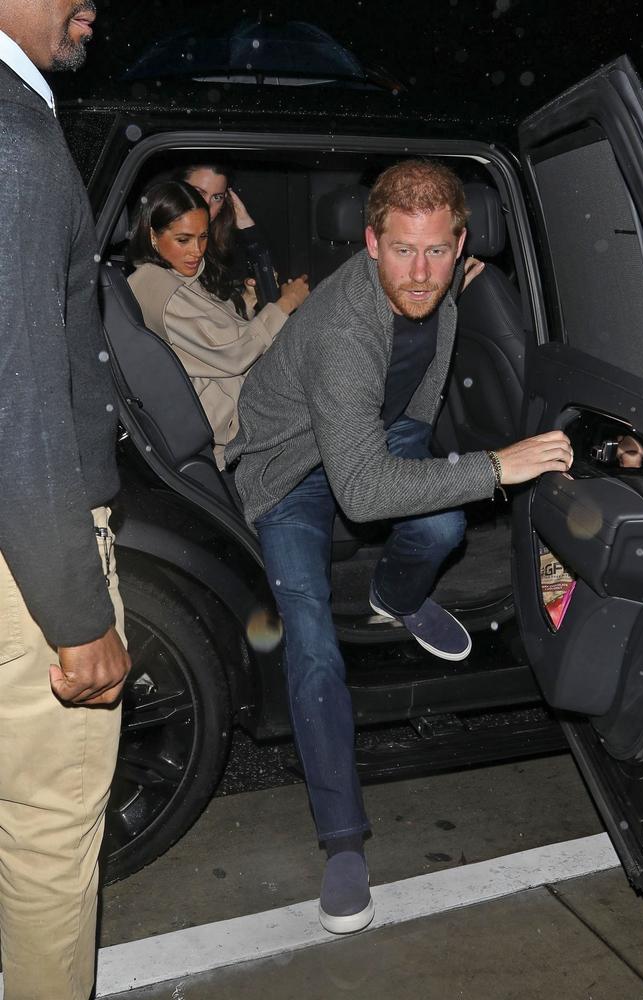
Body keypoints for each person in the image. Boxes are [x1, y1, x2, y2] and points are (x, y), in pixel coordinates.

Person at [225, 159, 573, 935]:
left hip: (371, 441)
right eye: (404, 250)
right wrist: (495, 466)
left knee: (445, 523)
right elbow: (362, 493)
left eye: (438, 251)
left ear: (461, 244)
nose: (420, 274)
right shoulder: (344, 327)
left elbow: (411, 415)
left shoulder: (443, 294)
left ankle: (396, 597)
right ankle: (344, 843)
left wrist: (446, 471)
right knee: (311, 645)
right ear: (370, 242)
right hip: (291, 475)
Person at [0, 3, 131, 999]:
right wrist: (77, 614)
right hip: (28, 556)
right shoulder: (15, 139)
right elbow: (18, 397)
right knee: (48, 830)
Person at [128, 180, 309, 468]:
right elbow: (234, 352)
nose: (197, 251)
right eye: (183, 239)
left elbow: (214, 335)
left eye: (203, 237)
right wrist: (285, 304)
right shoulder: (159, 288)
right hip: (231, 430)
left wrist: (249, 303)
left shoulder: (177, 277)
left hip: (242, 409)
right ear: (153, 236)